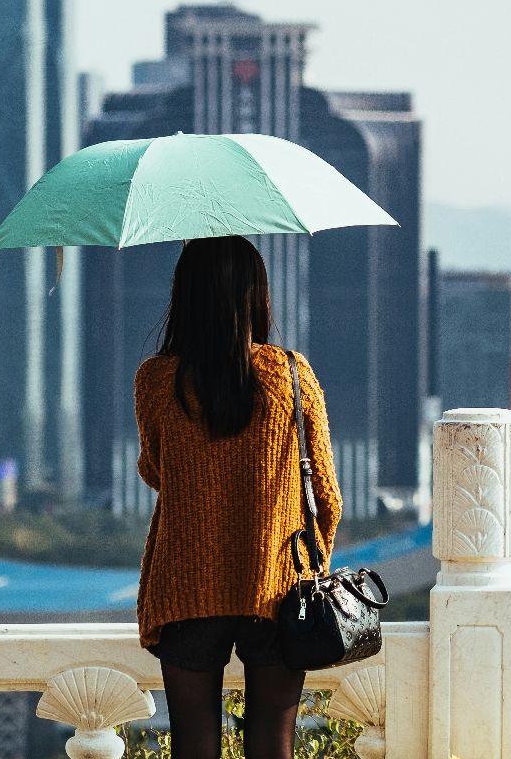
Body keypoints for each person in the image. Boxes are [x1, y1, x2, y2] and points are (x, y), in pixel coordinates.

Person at [135, 235, 342, 759]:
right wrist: (306, 564)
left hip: (185, 583)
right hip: (277, 585)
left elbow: (156, 472)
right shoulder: (291, 374)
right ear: (256, 296)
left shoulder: (156, 381)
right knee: (274, 738)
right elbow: (329, 497)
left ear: (186, 295)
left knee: (194, 742)